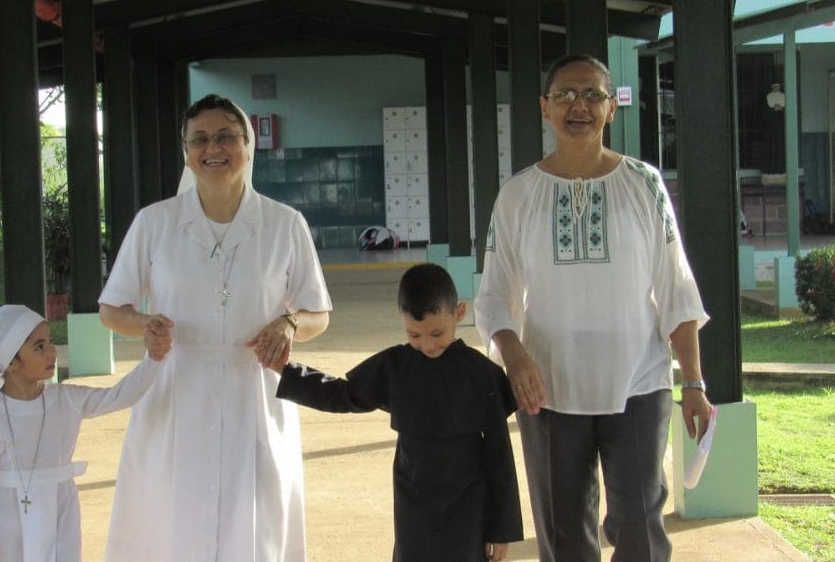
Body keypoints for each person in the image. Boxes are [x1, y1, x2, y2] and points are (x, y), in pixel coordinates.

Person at [474, 53, 713, 562]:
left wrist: (692, 384)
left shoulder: (644, 184)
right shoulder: (517, 194)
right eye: (564, 95)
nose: (578, 106)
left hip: (638, 384)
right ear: (544, 107)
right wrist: (515, 357)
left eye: (592, 95)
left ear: (612, 109)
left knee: (639, 524)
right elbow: (494, 294)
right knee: (563, 533)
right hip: (549, 388)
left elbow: (676, 289)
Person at [98, 93, 333, 561]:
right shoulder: (155, 222)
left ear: (249, 145)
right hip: (175, 385)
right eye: (199, 139)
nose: (213, 148)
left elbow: (316, 313)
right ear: (187, 151)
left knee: (257, 518)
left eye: (226, 136)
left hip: (256, 388)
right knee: (171, 513)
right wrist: (145, 324)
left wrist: (288, 324)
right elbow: (112, 308)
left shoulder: (285, 224)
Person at [276, 263, 523, 562]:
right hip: (413, 507)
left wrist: (500, 529)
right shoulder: (396, 367)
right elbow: (343, 395)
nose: (427, 345)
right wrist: (288, 371)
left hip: (468, 507)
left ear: (459, 313)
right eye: (414, 335)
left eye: (436, 333)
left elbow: (499, 457)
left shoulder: (482, 374)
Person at [0, 304, 169, 562]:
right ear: (10, 360)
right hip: (8, 516)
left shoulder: (66, 400)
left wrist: (153, 360)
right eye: (39, 347)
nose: (52, 352)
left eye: (51, 342)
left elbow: (119, 396)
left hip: (60, 507)